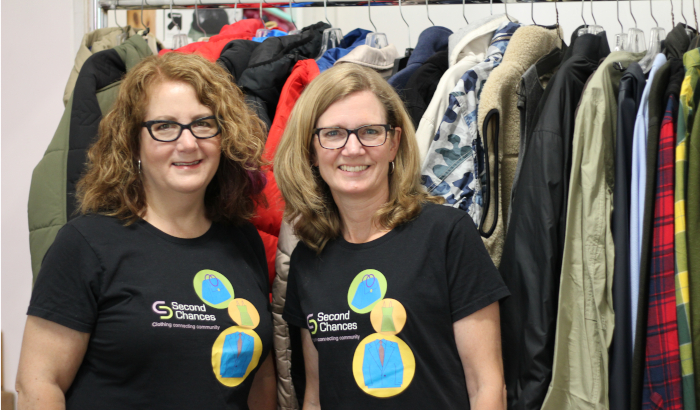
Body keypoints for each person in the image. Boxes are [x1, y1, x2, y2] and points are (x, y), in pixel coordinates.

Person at [16, 53, 276, 410]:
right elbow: (38, 385)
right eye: (165, 126)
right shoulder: (86, 244)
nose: (188, 143)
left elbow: (260, 383)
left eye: (203, 123)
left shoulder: (243, 240)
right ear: (132, 141)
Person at [275, 63, 509, 410]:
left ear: (394, 143)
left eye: (370, 132)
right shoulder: (308, 259)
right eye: (334, 133)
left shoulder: (446, 234)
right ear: (311, 150)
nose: (353, 149)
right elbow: (316, 395)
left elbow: (487, 387)